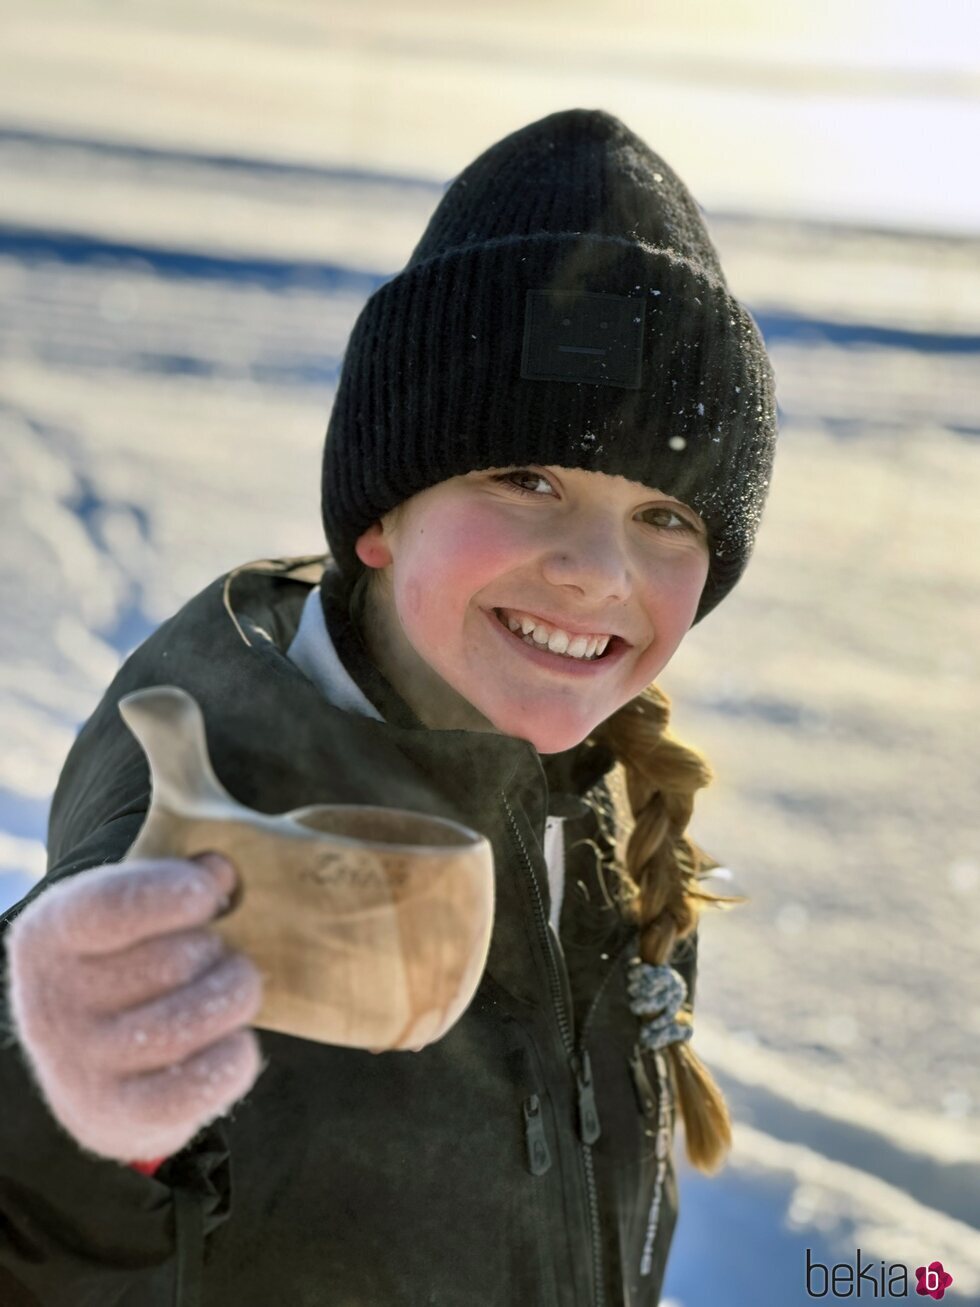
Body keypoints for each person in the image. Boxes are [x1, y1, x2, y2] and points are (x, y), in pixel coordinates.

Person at [0, 108, 778, 1306]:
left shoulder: (609, 793)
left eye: (663, 514)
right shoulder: (215, 821)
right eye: (527, 477)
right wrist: (62, 1114)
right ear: (378, 513)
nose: (595, 570)